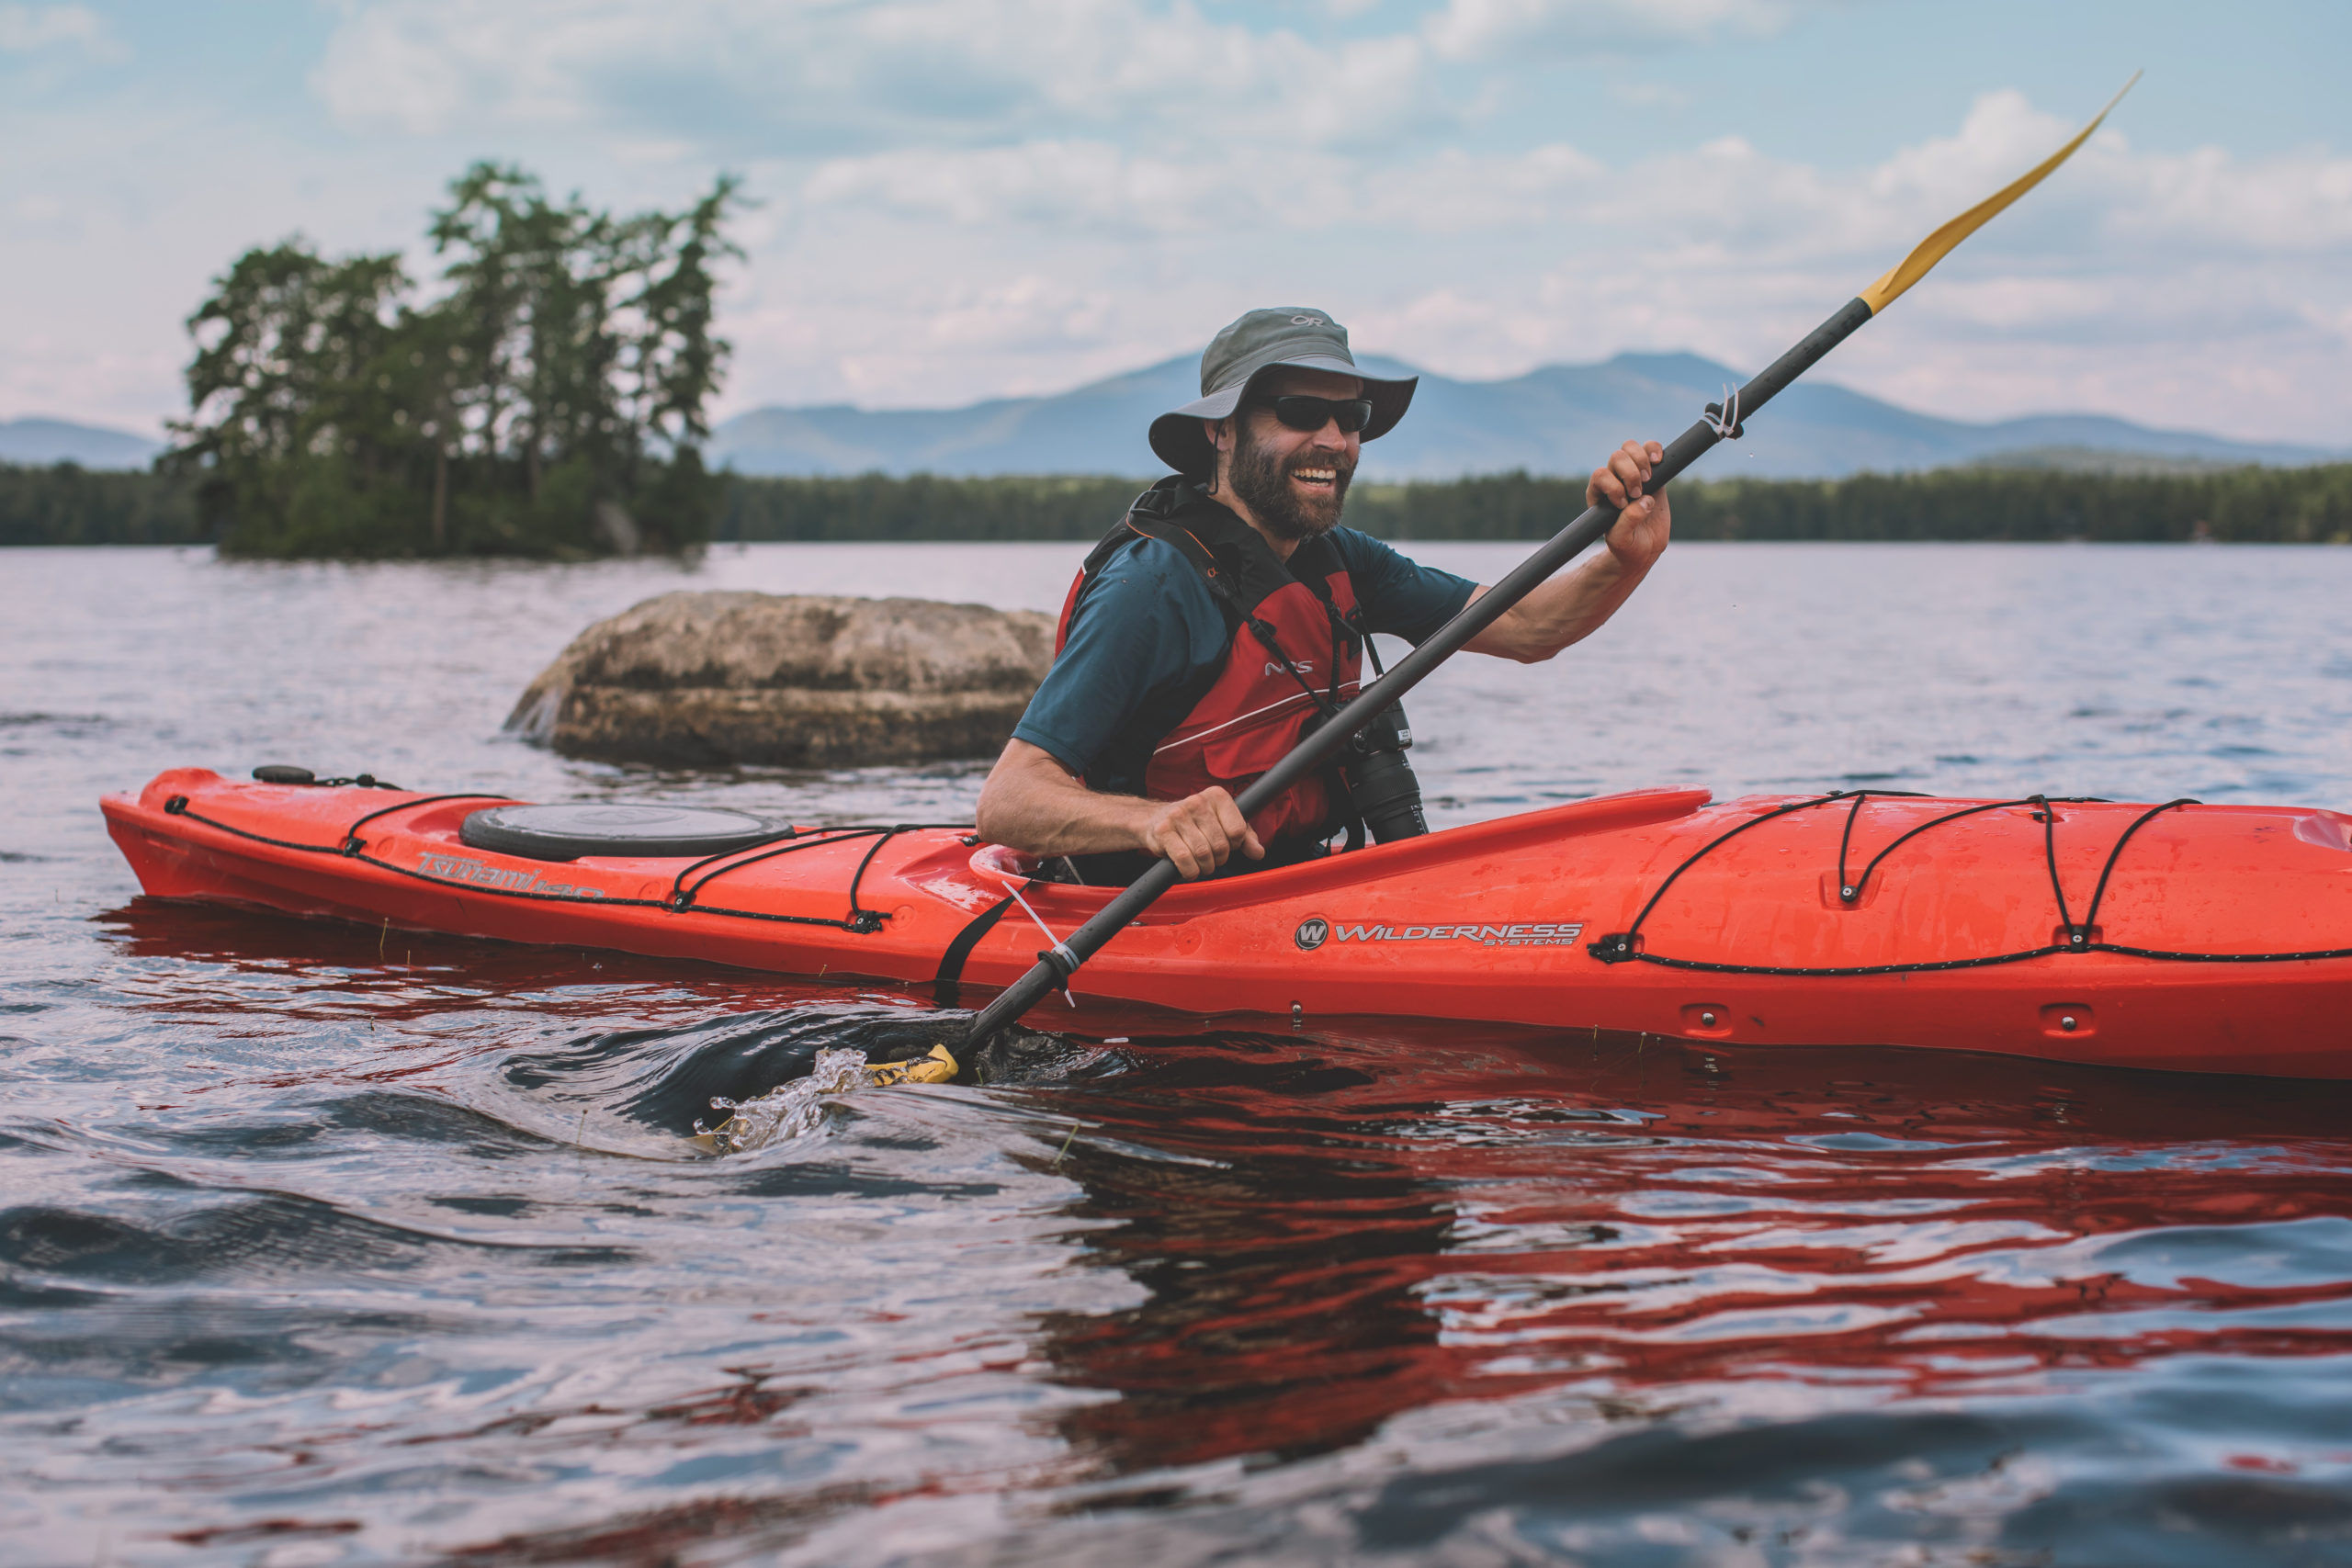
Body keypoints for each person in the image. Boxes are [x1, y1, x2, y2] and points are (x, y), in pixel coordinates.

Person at [975, 307, 1672, 883]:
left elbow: (1527, 626)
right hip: (1139, 906)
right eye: (1302, 412)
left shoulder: (1337, 558)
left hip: (1292, 886)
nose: (1334, 440)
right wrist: (1151, 820)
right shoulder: (1153, 585)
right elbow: (1009, 799)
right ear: (1221, 430)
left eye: (1352, 417)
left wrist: (1625, 560)